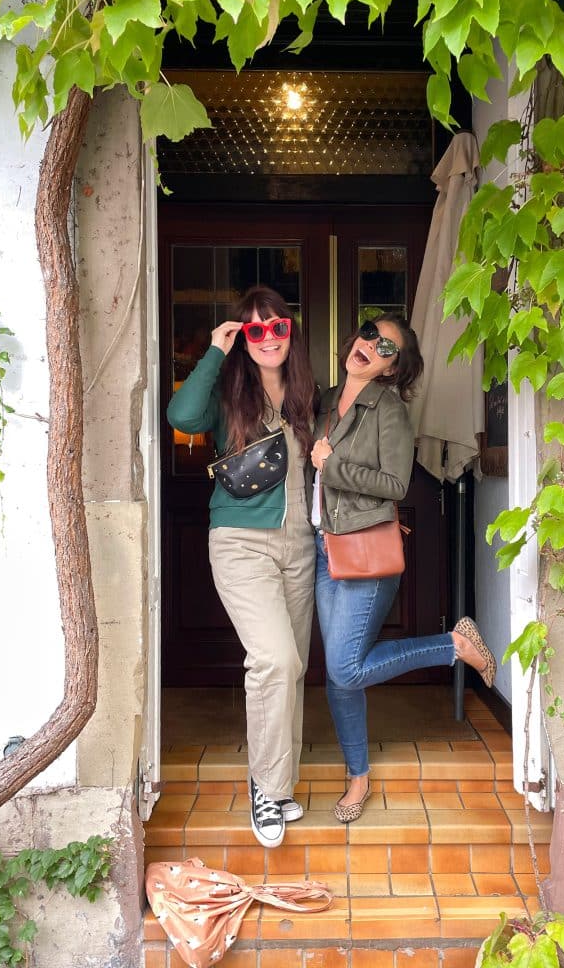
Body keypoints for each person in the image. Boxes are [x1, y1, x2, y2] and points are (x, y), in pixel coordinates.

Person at [311, 316, 497, 823]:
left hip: (364, 551)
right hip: (323, 549)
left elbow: (395, 483)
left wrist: (332, 466)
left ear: (393, 369)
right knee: (337, 675)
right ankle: (358, 775)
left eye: (386, 347)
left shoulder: (388, 409)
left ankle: (452, 645)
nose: (371, 344)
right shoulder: (325, 401)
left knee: (345, 667)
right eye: (369, 332)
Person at [167, 286, 317, 848]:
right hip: (241, 542)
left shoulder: (306, 393)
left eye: (277, 327)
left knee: (293, 665)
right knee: (273, 659)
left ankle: (280, 784)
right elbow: (180, 415)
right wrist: (214, 351)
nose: (268, 338)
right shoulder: (228, 388)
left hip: (299, 544)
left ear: (290, 332)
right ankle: (265, 788)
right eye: (255, 330)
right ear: (243, 338)